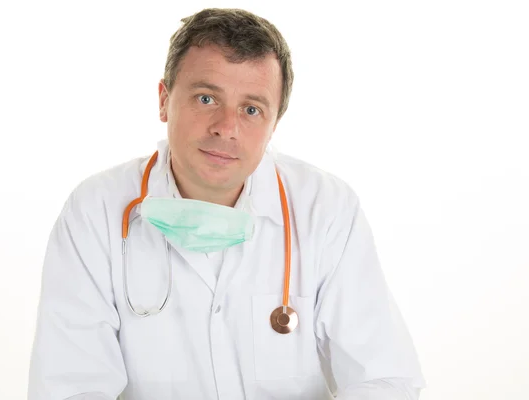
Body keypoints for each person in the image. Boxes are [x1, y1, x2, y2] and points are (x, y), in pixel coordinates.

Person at [28, 7, 425, 400]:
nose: (226, 128)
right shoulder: (96, 211)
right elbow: (70, 388)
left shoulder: (326, 209)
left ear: (274, 124)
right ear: (164, 100)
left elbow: (385, 380)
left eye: (251, 109)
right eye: (206, 98)